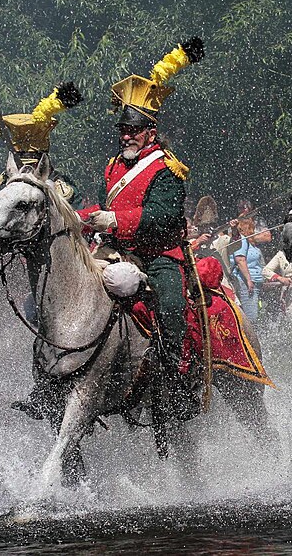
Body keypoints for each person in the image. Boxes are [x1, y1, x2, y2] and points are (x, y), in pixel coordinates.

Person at [78, 37, 204, 422]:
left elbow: (163, 217)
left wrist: (116, 220)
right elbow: (103, 206)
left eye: (134, 130)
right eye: (123, 129)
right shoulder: (113, 166)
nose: (127, 136)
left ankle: (174, 381)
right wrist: (77, 216)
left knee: (169, 304)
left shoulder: (168, 168)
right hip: (116, 251)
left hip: (159, 255)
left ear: (150, 131)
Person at [230, 217, 269, 323]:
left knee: (257, 314)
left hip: (256, 283)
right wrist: (248, 280)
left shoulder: (251, 244)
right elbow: (240, 260)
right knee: (251, 317)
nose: (254, 231)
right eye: (252, 228)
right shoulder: (242, 240)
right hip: (246, 283)